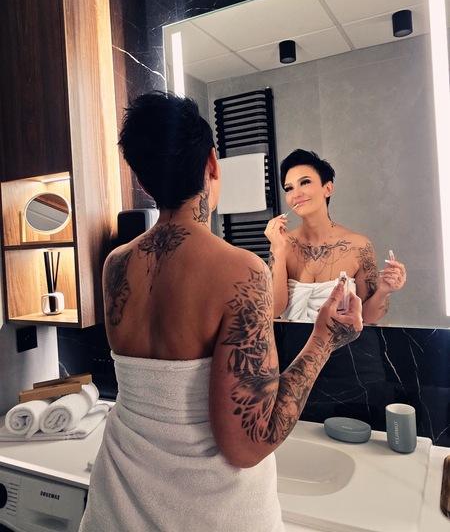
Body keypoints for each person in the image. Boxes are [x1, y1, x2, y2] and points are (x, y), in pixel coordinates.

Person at [79, 92, 363, 532]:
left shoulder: (115, 265)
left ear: (144, 182)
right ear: (212, 163)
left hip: (114, 509)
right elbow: (249, 444)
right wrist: (324, 339)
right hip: (209, 517)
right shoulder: (240, 272)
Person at [264, 149, 406, 323]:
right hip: (292, 341)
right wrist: (278, 249)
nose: (296, 194)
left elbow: (367, 318)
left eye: (305, 182)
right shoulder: (281, 243)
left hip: (344, 341)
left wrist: (384, 291)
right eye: (289, 188)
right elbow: (274, 310)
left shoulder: (358, 246)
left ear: (328, 188)